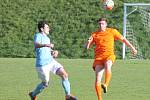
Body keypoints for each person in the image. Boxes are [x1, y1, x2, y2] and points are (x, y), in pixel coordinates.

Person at [85, 18, 137, 100]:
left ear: (106, 24)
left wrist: (132, 48)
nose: (100, 25)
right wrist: (88, 42)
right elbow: (87, 48)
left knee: (108, 65)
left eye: (102, 24)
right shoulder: (94, 34)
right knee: (98, 78)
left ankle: (106, 84)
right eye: (99, 24)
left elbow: (123, 39)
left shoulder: (112, 31)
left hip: (109, 55)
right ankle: (99, 98)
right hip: (98, 58)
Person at [29, 21, 77, 100]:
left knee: (64, 74)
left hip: (51, 61)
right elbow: (36, 44)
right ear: (41, 29)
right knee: (45, 83)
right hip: (42, 65)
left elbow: (48, 50)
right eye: (47, 27)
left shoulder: (47, 38)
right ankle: (33, 94)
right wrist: (46, 45)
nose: (49, 29)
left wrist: (54, 52)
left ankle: (68, 95)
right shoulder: (38, 35)